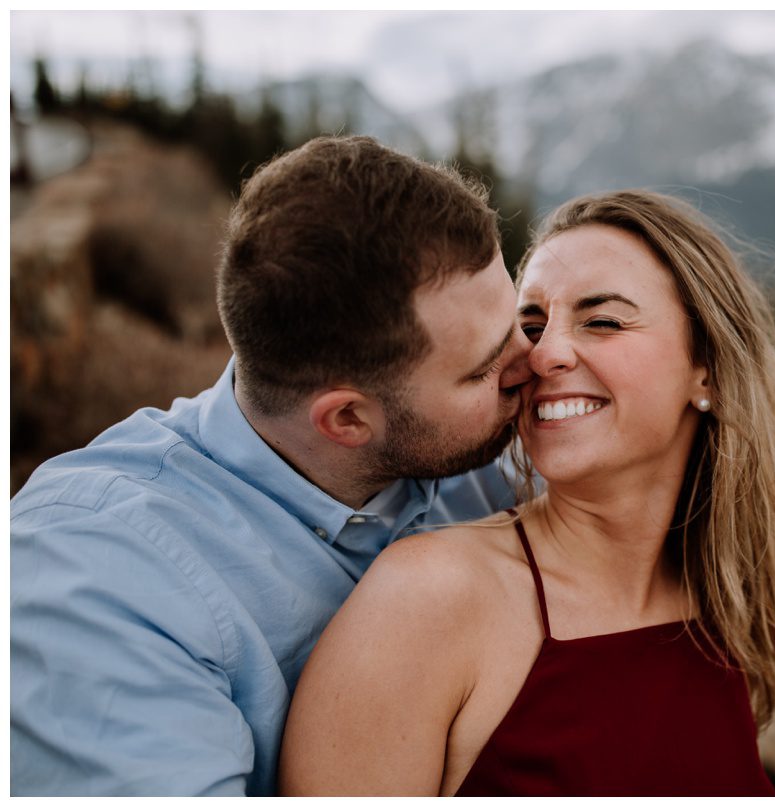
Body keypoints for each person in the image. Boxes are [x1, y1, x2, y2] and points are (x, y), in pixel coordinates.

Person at [280, 190, 775, 796]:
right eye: (530, 325)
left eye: (603, 320)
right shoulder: (428, 601)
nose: (545, 352)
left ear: (706, 370)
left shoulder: (720, 605)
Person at [10, 136, 533, 796]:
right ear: (347, 420)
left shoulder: (485, 448)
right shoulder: (91, 575)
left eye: (524, 320)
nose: (534, 363)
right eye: (485, 367)